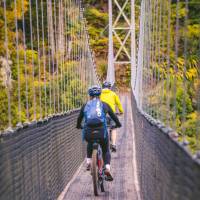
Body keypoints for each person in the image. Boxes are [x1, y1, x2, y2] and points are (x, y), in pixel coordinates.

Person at [76, 85, 121, 181]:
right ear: (100, 95)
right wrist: (118, 124)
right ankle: (107, 168)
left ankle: (88, 162)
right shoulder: (104, 105)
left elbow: (79, 118)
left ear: (90, 95)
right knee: (105, 149)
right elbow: (114, 117)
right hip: (101, 131)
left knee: (90, 142)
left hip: (88, 132)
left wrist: (78, 126)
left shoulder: (85, 105)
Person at [100, 81, 124, 152]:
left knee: (102, 128)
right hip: (112, 115)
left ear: (102, 87)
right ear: (110, 87)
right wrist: (121, 111)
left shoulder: (99, 94)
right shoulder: (113, 94)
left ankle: (101, 143)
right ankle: (113, 144)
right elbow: (118, 104)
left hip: (102, 115)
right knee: (113, 128)